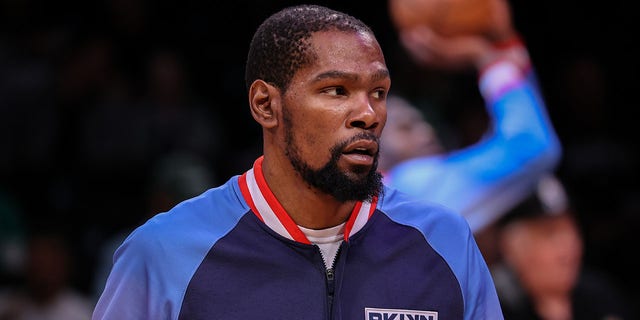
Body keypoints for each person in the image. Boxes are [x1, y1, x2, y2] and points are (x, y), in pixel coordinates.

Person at [92, 4, 503, 319]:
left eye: (379, 92)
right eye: (337, 90)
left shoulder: (446, 241)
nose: (369, 113)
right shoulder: (164, 252)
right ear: (265, 105)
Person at [380, 1, 563, 236]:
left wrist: (505, 48)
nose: (426, 132)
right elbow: (531, 147)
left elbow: (522, 135)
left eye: (424, 123)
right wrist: (486, 58)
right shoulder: (406, 191)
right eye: (405, 128)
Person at [492, 173, 637, 320]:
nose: (567, 249)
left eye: (570, 231)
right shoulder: (496, 309)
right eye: (550, 235)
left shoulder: (601, 297)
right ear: (514, 248)